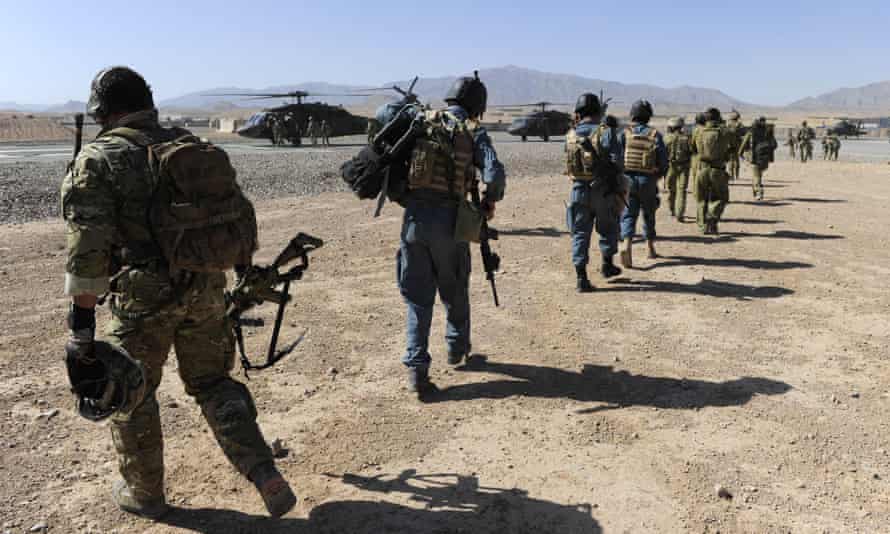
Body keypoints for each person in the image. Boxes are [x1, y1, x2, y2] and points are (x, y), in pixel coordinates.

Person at [60, 66, 296, 520]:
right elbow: (237, 218)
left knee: (132, 392)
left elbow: (87, 257)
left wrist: (81, 331)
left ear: (103, 111)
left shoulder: (99, 159)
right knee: (213, 383)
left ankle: (144, 492)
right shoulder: (190, 147)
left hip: (141, 296)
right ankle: (265, 473)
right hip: (205, 286)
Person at [379, 72, 506, 396]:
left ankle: (417, 371)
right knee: (455, 289)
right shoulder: (473, 131)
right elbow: (494, 174)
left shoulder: (422, 121)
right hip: (452, 224)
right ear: (478, 104)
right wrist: (489, 202)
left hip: (414, 222)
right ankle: (456, 348)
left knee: (418, 300)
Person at [564, 93, 625, 292]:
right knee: (608, 228)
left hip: (578, 190)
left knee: (580, 233)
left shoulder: (571, 135)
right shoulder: (605, 132)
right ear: (598, 111)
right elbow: (618, 164)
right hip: (603, 191)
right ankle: (607, 265)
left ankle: (581, 278)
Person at [617, 100, 668, 267]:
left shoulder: (624, 133)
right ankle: (650, 248)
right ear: (648, 116)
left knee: (628, 215)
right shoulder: (655, 135)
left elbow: (616, 157)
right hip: (647, 180)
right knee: (648, 214)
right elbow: (663, 161)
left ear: (632, 115)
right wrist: (658, 175)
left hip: (628, 180)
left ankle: (627, 244)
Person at [691, 107, 733, 234]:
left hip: (701, 169)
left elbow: (692, 148)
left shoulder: (698, 131)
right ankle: (712, 217)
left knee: (701, 199)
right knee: (721, 198)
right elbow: (733, 146)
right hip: (718, 170)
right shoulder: (725, 131)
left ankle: (703, 227)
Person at [739, 116, 777, 201]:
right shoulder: (767, 132)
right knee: (758, 175)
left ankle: (759, 192)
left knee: (756, 176)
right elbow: (774, 145)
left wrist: (740, 153)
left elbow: (744, 143)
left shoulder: (751, 132)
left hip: (754, 157)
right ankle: (756, 190)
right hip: (764, 158)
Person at [664, 117, 692, 221]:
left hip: (670, 167)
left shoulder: (666, 138)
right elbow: (692, 151)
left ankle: (672, 210)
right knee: (682, 191)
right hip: (684, 167)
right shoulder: (686, 138)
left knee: (671, 190)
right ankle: (680, 214)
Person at [724, 110, 744, 180]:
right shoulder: (739, 125)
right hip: (737, 145)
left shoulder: (728, 125)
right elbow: (743, 133)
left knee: (731, 162)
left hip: (730, 145)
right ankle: (736, 176)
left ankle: (731, 176)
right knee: (736, 161)